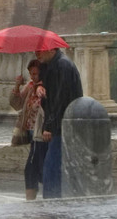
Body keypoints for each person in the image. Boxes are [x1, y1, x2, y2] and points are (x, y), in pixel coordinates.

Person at [35, 46, 82, 199]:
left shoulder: (62, 66)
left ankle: (52, 202)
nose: (37, 54)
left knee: (52, 166)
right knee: (53, 165)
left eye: (40, 50)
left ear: (51, 50)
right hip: (60, 124)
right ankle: (54, 200)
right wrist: (40, 86)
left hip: (62, 125)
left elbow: (60, 100)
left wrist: (49, 126)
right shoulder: (53, 65)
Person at [8, 58, 47, 200]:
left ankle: (34, 198)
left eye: (35, 74)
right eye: (31, 74)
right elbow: (16, 104)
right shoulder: (30, 86)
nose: (33, 77)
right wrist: (17, 86)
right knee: (36, 166)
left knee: (32, 167)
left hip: (41, 133)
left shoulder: (45, 87)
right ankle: (34, 197)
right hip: (30, 132)